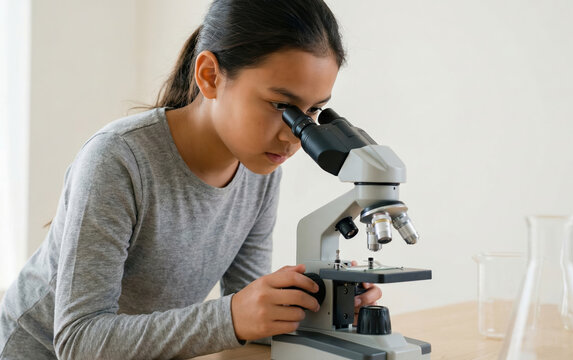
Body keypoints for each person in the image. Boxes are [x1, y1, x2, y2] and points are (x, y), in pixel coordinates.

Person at [0, 0, 382, 359]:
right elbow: (77, 342)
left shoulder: (259, 172)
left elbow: (244, 315)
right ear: (210, 76)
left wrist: (319, 305)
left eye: (312, 111)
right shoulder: (118, 159)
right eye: (281, 106)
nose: (293, 135)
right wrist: (230, 316)